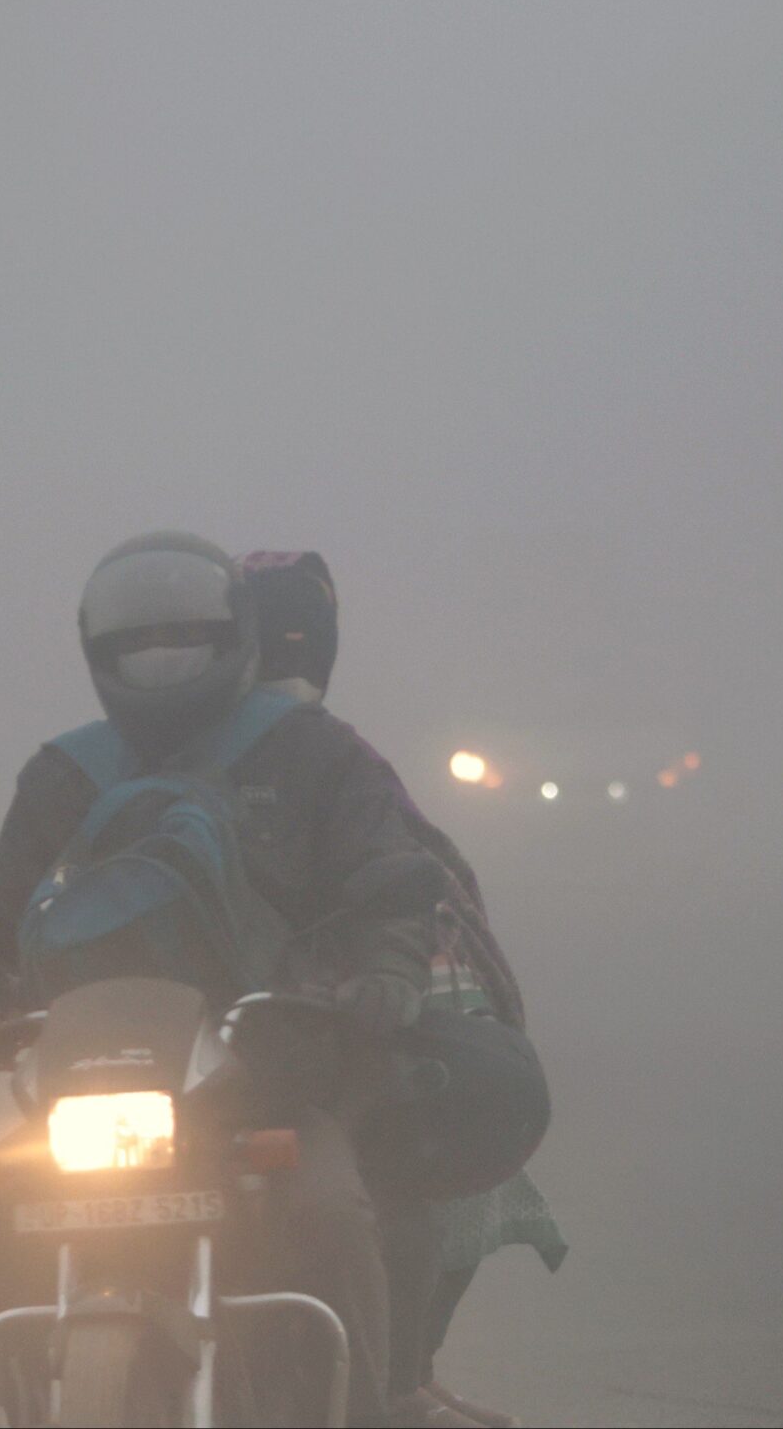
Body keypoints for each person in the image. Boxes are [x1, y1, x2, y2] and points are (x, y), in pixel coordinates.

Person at [0, 531, 437, 1424]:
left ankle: (360, 1414)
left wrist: (387, 975)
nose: (161, 659)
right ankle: (18, 1405)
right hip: (87, 1089)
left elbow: (387, 883)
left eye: (183, 640)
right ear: (98, 653)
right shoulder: (63, 774)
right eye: (138, 645)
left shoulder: (312, 752)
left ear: (237, 638)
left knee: (328, 1209)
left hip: (265, 1074)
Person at [242, 551, 561, 1429]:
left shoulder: (332, 762)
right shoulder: (146, 765)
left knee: (398, 1168)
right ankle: (401, 1381)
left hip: (322, 1037)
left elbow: (410, 902)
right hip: (215, 1050)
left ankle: (398, 1382)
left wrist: (383, 987)